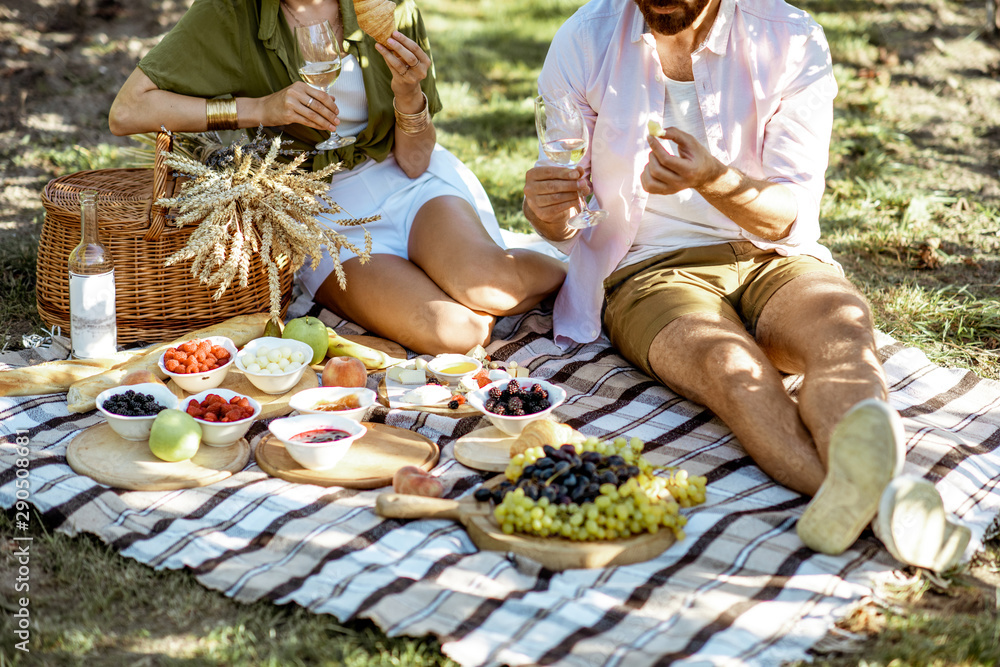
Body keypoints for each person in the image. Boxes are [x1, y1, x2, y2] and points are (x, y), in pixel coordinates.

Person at [522, 0, 970, 570]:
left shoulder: (790, 38)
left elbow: (791, 214)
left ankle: (859, 503)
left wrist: (714, 180)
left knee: (842, 339)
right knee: (730, 371)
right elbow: (568, 212)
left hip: (774, 254)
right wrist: (547, 211)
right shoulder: (584, 39)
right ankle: (889, 512)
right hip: (650, 271)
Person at [109, 0, 566, 355]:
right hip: (316, 213)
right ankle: (464, 279)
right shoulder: (229, 12)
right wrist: (258, 108)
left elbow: (414, 160)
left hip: (406, 181)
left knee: (487, 285)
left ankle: (578, 271)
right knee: (455, 332)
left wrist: (408, 94)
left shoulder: (387, 9)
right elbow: (127, 111)